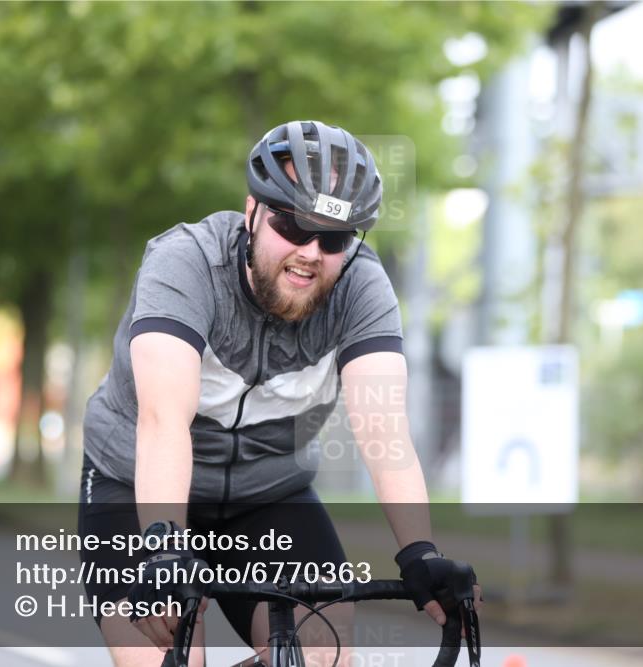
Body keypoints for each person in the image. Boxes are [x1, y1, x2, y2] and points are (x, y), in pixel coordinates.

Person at [78, 120, 481, 667]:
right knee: (164, 654)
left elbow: (384, 430)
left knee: (323, 653)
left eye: (334, 238)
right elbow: (162, 421)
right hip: (135, 485)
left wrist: (420, 551)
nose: (311, 252)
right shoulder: (185, 264)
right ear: (252, 213)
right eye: (293, 224)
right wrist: (161, 550)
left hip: (267, 494)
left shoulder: (360, 288)